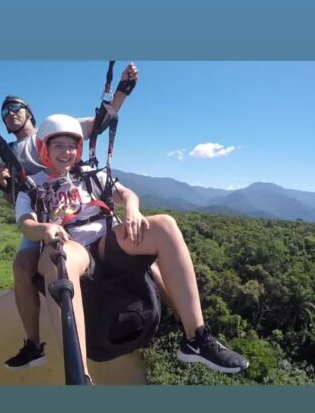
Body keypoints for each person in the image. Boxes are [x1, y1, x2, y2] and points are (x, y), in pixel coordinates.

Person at [15, 115, 250, 383]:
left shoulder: (91, 175)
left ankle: (196, 337)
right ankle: (79, 374)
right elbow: (26, 223)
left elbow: (127, 194)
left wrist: (132, 209)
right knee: (63, 259)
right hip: (71, 246)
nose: (66, 152)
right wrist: (44, 230)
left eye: (71, 146)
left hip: (106, 241)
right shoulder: (32, 186)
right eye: (58, 145)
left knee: (165, 225)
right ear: (44, 148)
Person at [0, 65, 138, 369]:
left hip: (77, 206)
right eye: (5, 112)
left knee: (142, 237)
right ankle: (34, 345)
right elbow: (16, 202)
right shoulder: (9, 152)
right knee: (21, 267)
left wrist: (122, 91)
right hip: (43, 216)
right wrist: (5, 186)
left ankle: (185, 323)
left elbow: (98, 123)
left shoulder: (56, 130)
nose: (10, 113)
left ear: (29, 113)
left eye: (16, 107)